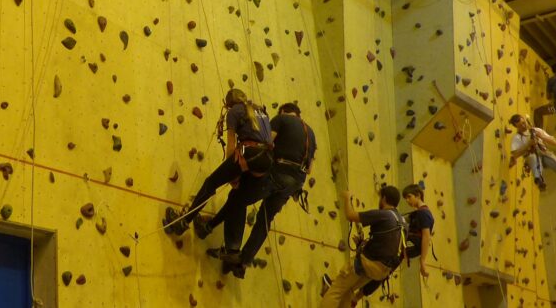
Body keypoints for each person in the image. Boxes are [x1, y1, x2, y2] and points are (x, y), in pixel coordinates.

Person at [197, 103, 315, 278]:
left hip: (277, 171)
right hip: (295, 182)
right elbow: (310, 168)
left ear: (284, 112)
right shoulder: (311, 134)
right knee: (264, 220)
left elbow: (267, 142)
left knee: (238, 197)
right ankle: (242, 262)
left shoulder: (281, 119)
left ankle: (215, 233)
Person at [163, 89, 273, 236]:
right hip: (267, 160)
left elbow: (231, 147)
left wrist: (231, 174)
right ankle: (206, 228)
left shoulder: (235, 111)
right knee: (236, 198)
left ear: (229, 103)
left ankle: (183, 223)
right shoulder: (261, 111)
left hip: (250, 153)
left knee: (211, 183)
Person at [320, 187, 406, 308]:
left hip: (366, 264)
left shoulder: (384, 215)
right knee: (348, 292)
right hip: (381, 271)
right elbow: (389, 246)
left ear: (384, 198)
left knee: (335, 291)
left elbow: (350, 215)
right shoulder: (403, 223)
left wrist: (347, 198)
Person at [355, 183, 434, 301]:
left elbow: (426, 237)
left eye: (409, 197)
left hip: (410, 245)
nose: (407, 200)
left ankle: (356, 295)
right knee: (384, 267)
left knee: (384, 266)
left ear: (418, 195)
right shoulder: (418, 213)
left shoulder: (424, 213)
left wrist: (423, 261)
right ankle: (356, 293)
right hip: (406, 243)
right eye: (405, 198)